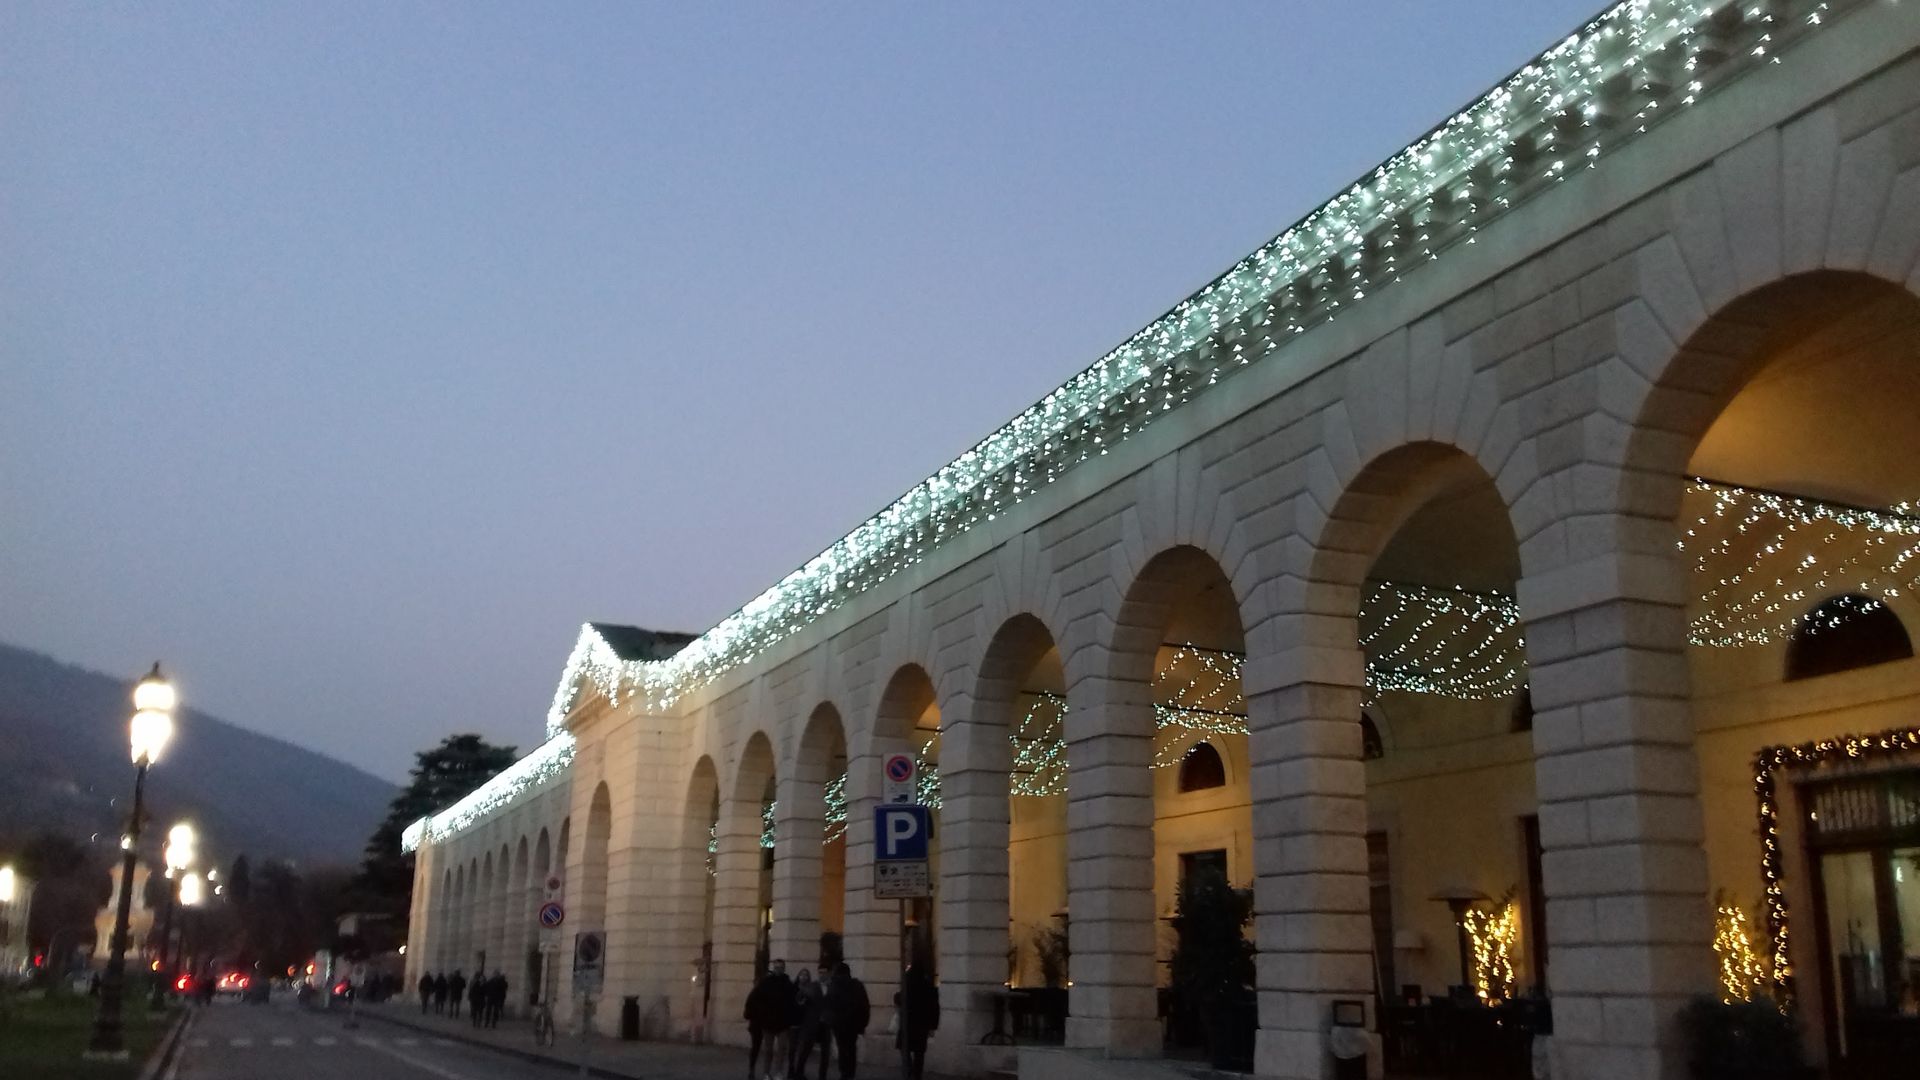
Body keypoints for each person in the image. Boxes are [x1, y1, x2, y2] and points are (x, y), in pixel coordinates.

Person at [745, 959, 796, 1080]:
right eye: (776, 967)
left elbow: (792, 1002)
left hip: (783, 1022)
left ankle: (778, 1071)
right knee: (768, 1050)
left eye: (780, 967)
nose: (778, 969)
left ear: (784, 968)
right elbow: (755, 999)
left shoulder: (788, 983)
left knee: (782, 1048)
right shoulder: (766, 983)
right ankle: (766, 1073)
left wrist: (791, 1018)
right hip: (768, 1022)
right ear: (774, 968)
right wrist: (761, 1014)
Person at [893, 963, 939, 1080]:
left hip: (907, 1022)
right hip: (921, 1024)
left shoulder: (907, 984)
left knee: (905, 1049)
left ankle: (909, 1070)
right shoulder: (929, 987)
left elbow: (898, 998)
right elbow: (934, 1007)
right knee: (919, 1052)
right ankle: (917, 1074)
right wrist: (933, 1025)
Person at [826, 963, 870, 1080]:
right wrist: (863, 1024)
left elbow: (829, 1005)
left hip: (839, 1024)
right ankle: (850, 1073)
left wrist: (831, 1022)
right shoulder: (857, 985)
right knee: (851, 1048)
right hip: (853, 1024)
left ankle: (844, 1072)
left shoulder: (833, 985)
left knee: (842, 1048)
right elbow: (865, 1006)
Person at [791, 966, 833, 1080]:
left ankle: (822, 1076)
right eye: (820, 973)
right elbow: (800, 998)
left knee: (825, 1052)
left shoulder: (832, 987)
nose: (821, 975)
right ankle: (799, 1073)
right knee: (806, 1049)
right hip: (812, 1023)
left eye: (824, 973)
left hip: (826, 1024)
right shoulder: (812, 985)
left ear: (828, 974)